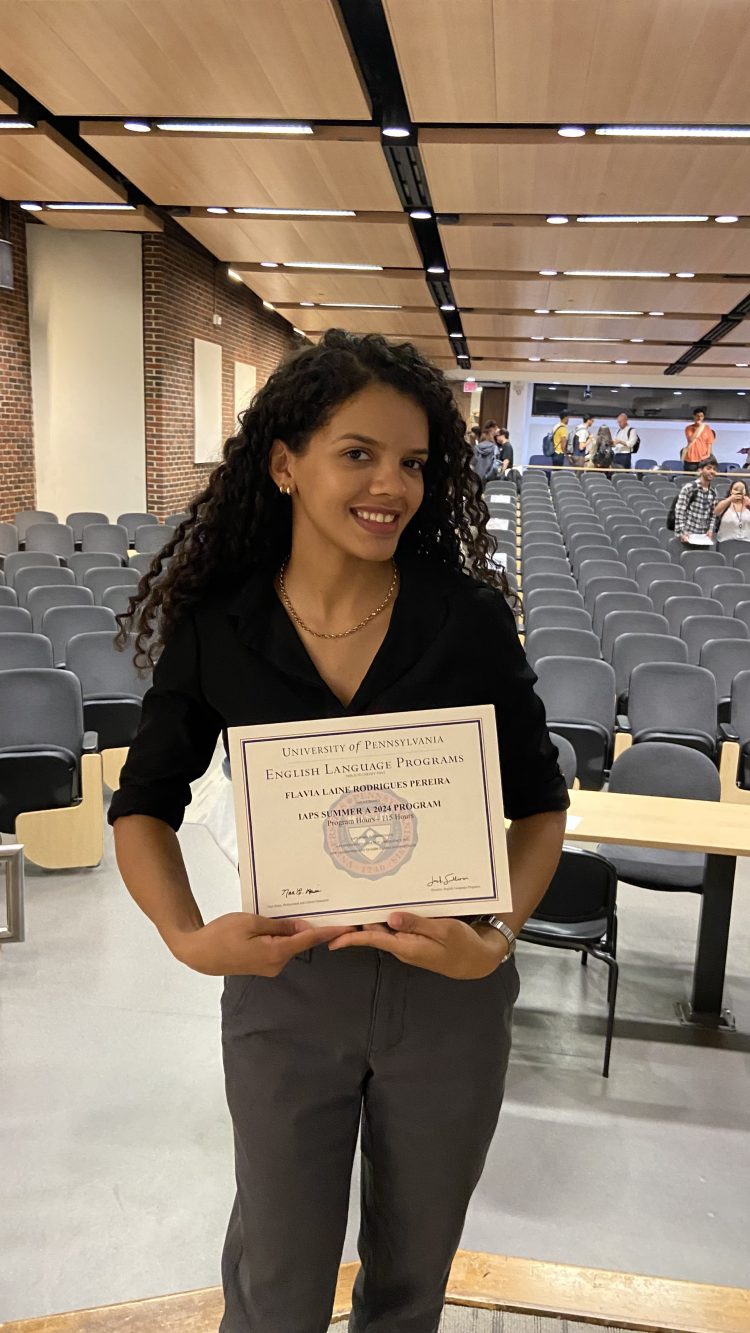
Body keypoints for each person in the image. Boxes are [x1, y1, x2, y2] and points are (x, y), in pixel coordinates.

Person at [108, 330, 568, 1333]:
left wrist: (492, 942)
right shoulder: (217, 629)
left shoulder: (470, 621)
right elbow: (142, 802)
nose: (390, 485)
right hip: (287, 987)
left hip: (445, 992)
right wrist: (187, 937)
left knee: (411, 1278)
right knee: (276, 1278)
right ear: (286, 464)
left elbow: (542, 805)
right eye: (358, 453)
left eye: (412, 463)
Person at [674, 454, 719, 542]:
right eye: (709, 468)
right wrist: (682, 531)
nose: (712, 471)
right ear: (700, 470)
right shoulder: (689, 487)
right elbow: (680, 511)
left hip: (703, 537)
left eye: (714, 469)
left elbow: (713, 515)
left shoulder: (714, 492)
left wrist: (710, 530)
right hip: (687, 536)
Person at [714, 476, 750, 543]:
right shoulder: (725, 503)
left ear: (745, 491)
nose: (739, 491)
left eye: (742, 489)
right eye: (736, 489)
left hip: (748, 542)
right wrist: (729, 500)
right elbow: (715, 513)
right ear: (731, 491)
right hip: (725, 542)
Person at [682, 408, 716, 473]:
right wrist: (699, 427)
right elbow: (691, 439)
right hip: (691, 460)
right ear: (694, 416)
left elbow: (709, 443)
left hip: (703, 460)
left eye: (701, 416)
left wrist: (708, 455)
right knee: (690, 478)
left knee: (702, 480)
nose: (699, 418)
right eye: (698, 416)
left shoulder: (707, 428)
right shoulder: (689, 428)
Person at [471, 419, 499, 483]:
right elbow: (496, 465)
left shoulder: (477, 447)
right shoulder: (495, 448)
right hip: (489, 479)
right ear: (493, 430)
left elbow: (473, 463)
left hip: (477, 478)